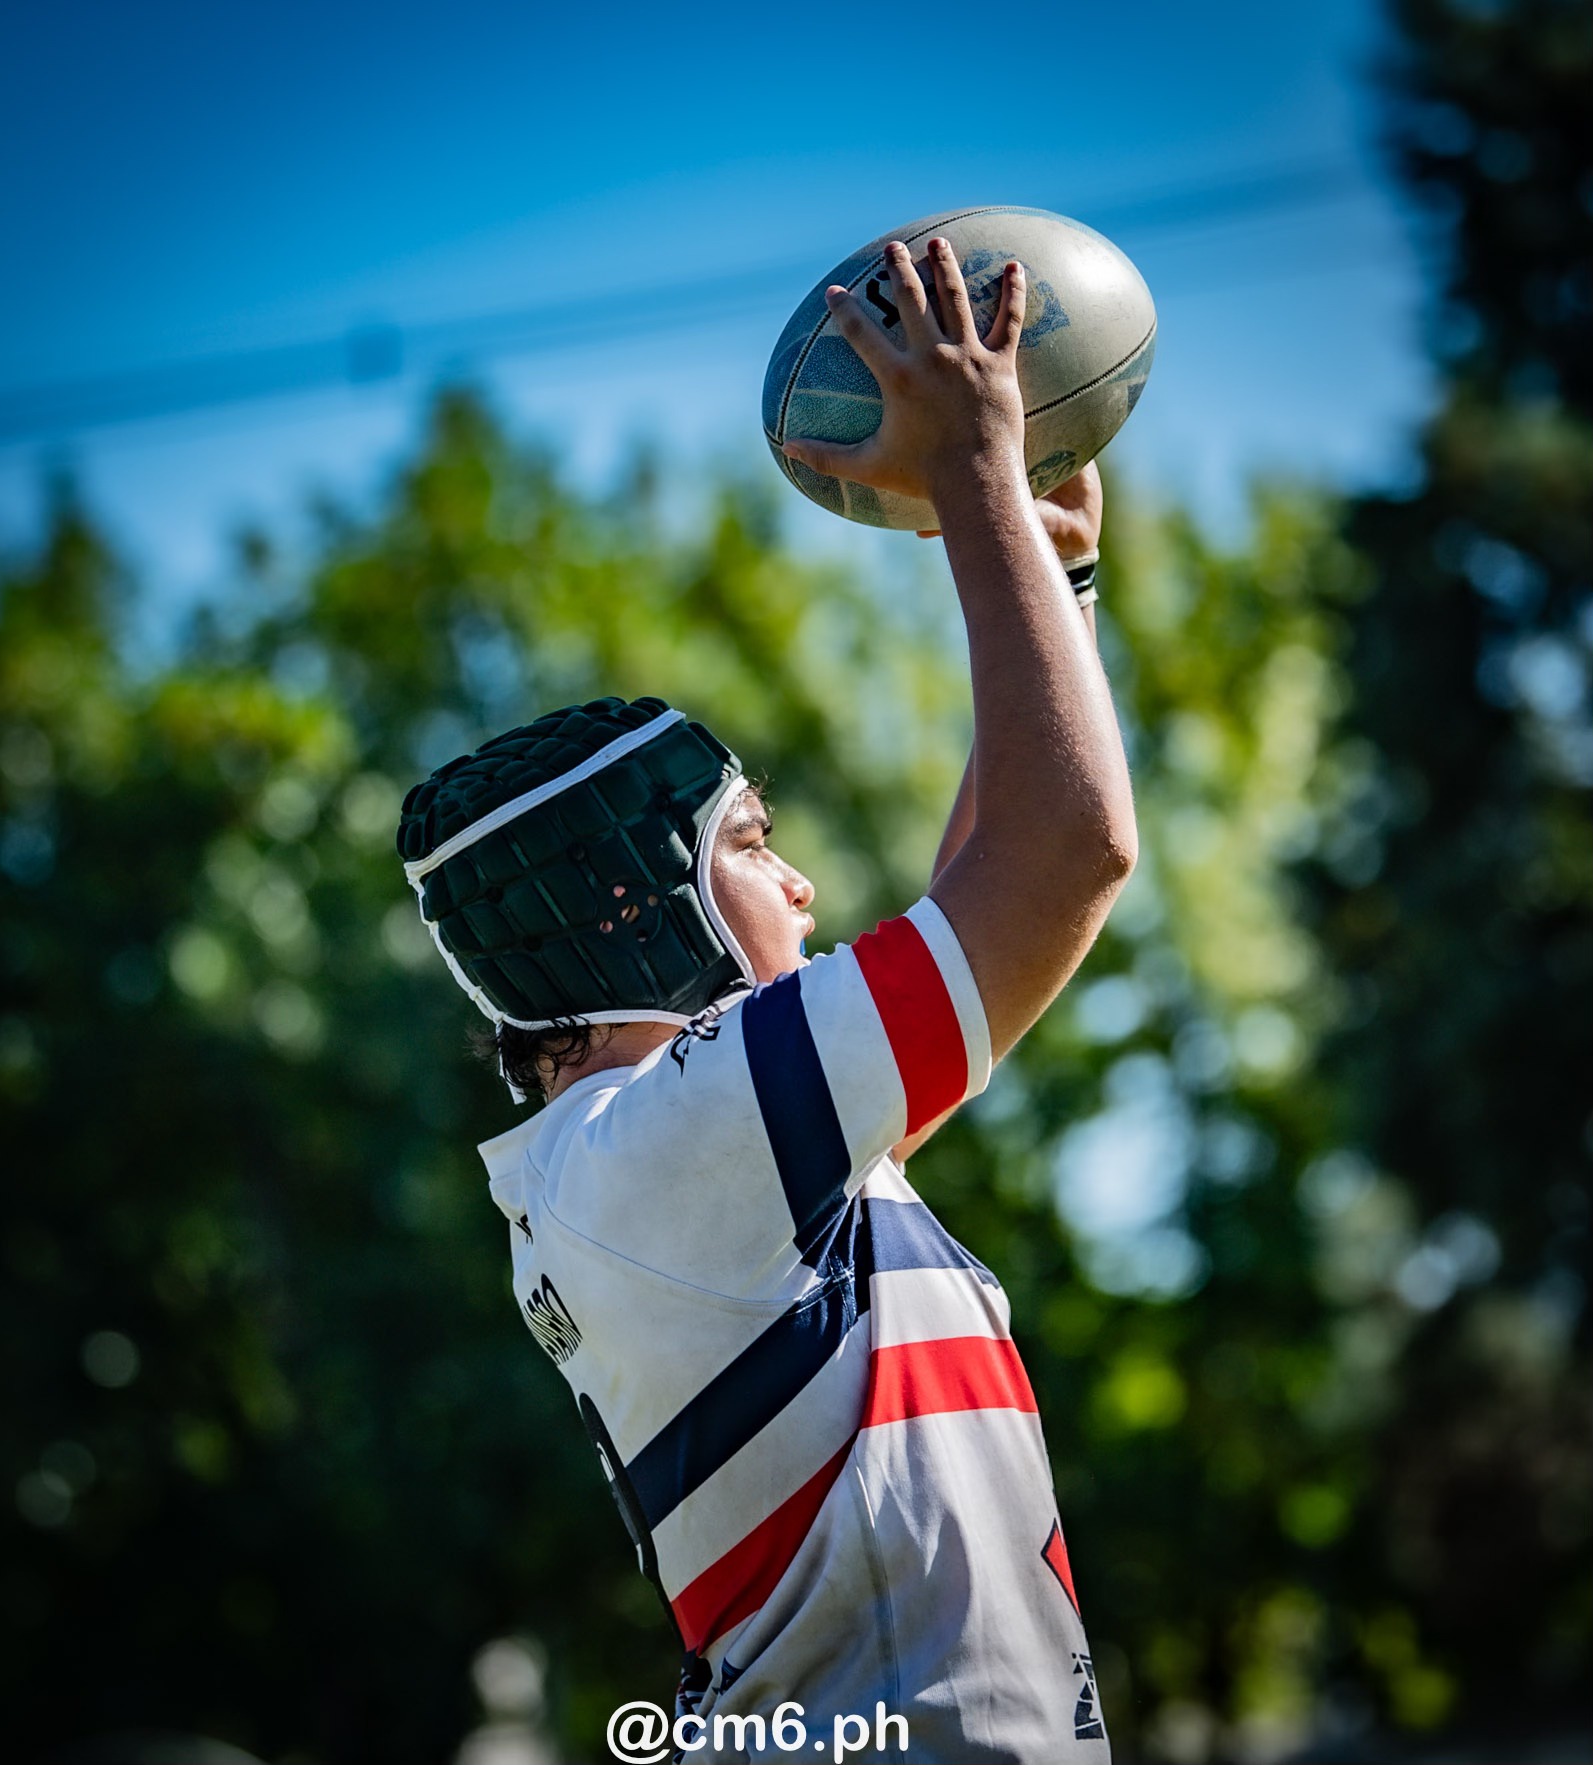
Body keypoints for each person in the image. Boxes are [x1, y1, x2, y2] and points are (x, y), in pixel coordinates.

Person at [397, 237, 1137, 1762]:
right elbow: (1065, 854)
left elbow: (998, 878)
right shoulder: (670, 1146)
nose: (800, 885)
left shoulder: (661, 1159)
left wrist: (1036, 566)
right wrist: (979, 479)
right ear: (625, 900)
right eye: (749, 842)